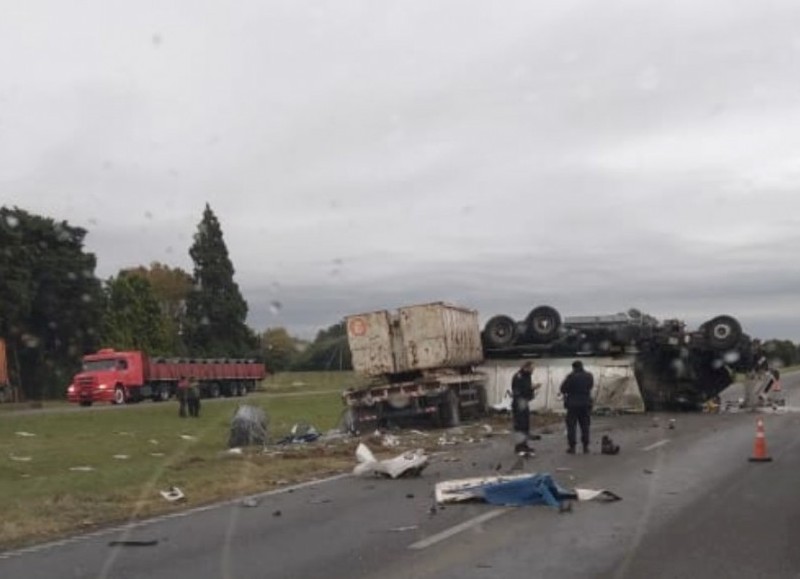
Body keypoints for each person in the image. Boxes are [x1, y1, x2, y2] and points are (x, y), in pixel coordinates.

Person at [560, 360, 594, 454]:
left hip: (573, 405)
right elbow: (590, 386)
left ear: (573, 367)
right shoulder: (589, 376)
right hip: (585, 403)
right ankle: (585, 447)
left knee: (571, 426)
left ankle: (572, 447)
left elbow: (563, 389)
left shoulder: (571, 377)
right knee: (585, 425)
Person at [511, 361, 540, 455]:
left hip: (524, 401)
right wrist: (532, 388)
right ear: (526, 368)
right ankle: (519, 446)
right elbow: (521, 389)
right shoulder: (519, 376)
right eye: (532, 369)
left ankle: (524, 445)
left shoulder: (526, 376)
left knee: (525, 424)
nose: (533, 371)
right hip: (520, 402)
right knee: (520, 425)